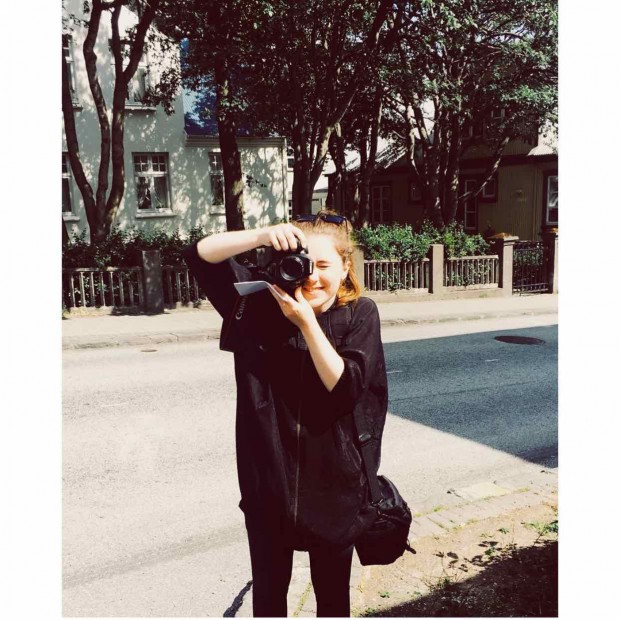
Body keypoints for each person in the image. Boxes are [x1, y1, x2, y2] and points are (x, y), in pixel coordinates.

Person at [182, 211, 388, 617]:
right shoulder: (256, 306)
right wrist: (261, 235)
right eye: (303, 263)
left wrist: (307, 324)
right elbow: (199, 254)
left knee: (332, 601)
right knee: (269, 599)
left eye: (324, 265)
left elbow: (345, 387)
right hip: (268, 486)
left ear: (345, 266)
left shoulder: (359, 313)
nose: (311, 277)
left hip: (334, 489)